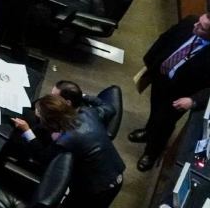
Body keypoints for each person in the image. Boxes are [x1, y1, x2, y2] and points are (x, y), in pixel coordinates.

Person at [11, 95, 124, 207]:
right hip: (117, 174)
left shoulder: (65, 142)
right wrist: (82, 95)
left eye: (40, 117)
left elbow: (43, 157)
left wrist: (27, 131)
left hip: (97, 189)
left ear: (49, 121)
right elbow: (109, 108)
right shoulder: (87, 112)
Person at [131, 13, 210, 171]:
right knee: (155, 110)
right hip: (160, 78)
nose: (195, 26)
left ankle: (152, 153)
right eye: (199, 22)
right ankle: (148, 131)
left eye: (201, 27)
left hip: (180, 94)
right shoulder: (190, 22)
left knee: (164, 124)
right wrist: (151, 64)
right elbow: (164, 39)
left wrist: (193, 100)